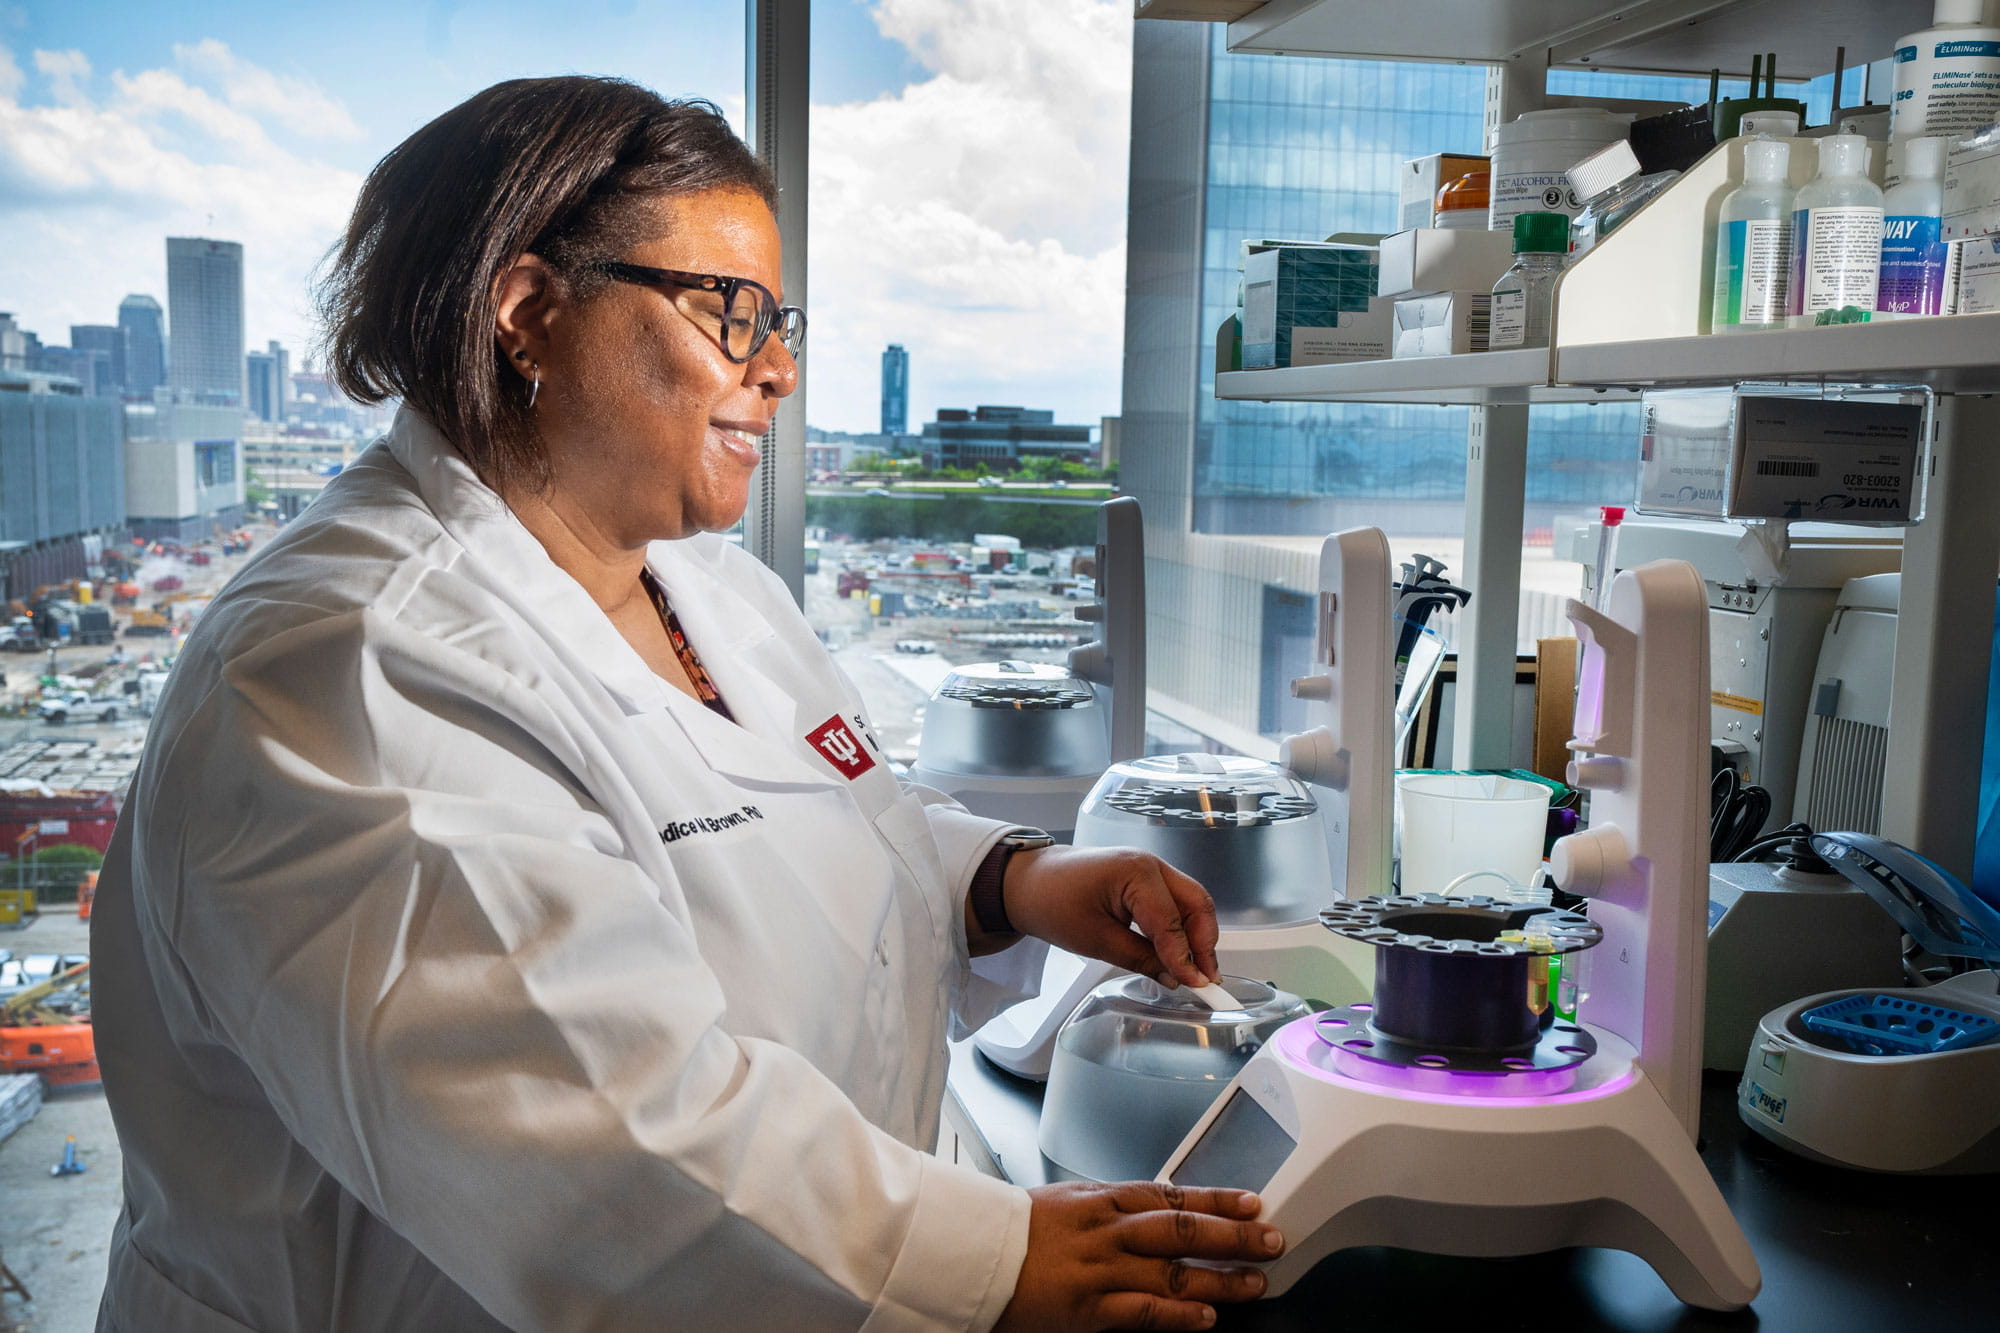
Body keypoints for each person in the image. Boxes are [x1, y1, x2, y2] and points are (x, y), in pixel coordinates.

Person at [92, 77, 1282, 1332]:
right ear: (528, 312)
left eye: (783, 322)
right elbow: (603, 1148)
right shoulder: (352, 669)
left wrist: (1010, 882)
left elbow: (817, 817)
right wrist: (990, 1261)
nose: (774, 370)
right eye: (730, 312)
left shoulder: (709, 591)